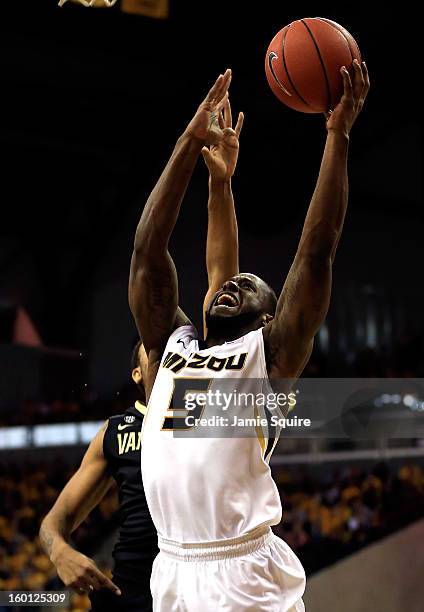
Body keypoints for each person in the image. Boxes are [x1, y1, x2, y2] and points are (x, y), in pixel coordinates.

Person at [133, 62, 370, 611]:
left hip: (241, 572)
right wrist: (194, 151)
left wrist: (337, 136)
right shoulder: (175, 344)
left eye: (252, 286)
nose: (235, 284)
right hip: (171, 569)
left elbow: (317, 249)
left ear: (270, 318)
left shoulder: (269, 359)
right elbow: (149, 250)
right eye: (232, 283)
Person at [39, 93, 243, 612]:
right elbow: (52, 524)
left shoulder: (202, 400)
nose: (179, 354)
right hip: (133, 594)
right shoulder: (117, 433)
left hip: (213, 584)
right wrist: (59, 549)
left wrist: (220, 184)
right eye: (159, 352)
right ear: (139, 370)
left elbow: (222, 283)